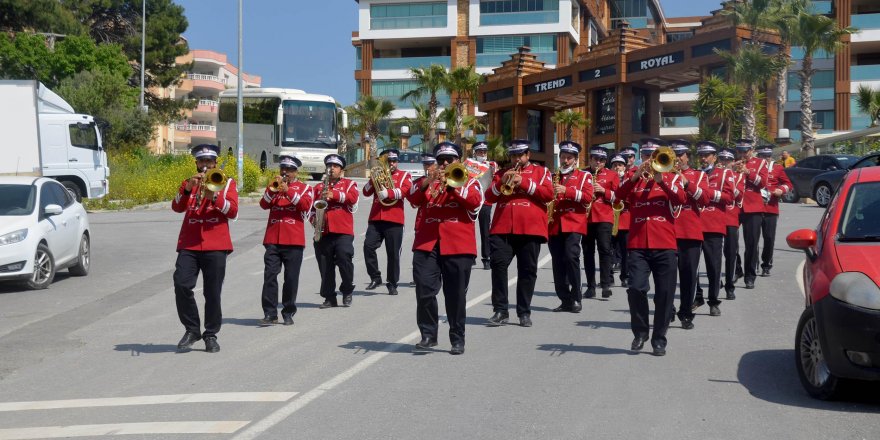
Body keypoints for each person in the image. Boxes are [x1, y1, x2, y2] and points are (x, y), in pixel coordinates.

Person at [406, 142, 483, 355]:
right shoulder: (427, 181)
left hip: (458, 245)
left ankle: (457, 338)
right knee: (424, 289)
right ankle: (429, 334)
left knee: (455, 295)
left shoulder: (470, 182)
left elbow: (475, 202)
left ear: (458, 161)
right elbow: (411, 196)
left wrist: (454, 184)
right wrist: (427, 182)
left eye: (450, 160)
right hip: (427, 242)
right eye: (441, 161)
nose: (445, 164)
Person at [615, 138, 686, 356]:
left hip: (664, 244)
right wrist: (635, 176)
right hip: (638, 244)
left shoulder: (671, 178)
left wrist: (661, 180)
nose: (649, 160)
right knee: (635, 288)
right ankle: (640, 333)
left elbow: (681, 199)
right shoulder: (632, 179)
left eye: (652, 156)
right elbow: (617, 198)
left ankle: (659, 338)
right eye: (645, 156)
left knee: (664, 294)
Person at [171, 144, 238, 353]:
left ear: (215, 163)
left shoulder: (226, 183)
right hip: (189, 243)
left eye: (210, 162)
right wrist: (188, 189)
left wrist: (215, 198)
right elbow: (176, 206)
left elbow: (233, 212)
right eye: (202, 161)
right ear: (196, 163)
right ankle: (192, 329)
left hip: (216, 244)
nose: (205, 166)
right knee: (182, 284)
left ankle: (211, 334)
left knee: (212, 293)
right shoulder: (188, 183)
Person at [485, 139, 554, 327]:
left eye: (520, 155)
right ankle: (500, 310)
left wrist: (522, 182)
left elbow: (548, 195)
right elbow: (488, 197)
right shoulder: (501, 173)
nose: (516, 158)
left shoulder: (541, 171)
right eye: (513, 155)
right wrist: (501, 183)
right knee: (498, 266)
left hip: (530, 228)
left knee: (527, 271)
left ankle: (524, 312)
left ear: (527, 155)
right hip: (502, 227)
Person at [258, 155, 313, 326]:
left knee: (291, 278)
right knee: (270, 276)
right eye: (283, 169)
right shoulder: (273, 187)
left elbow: (305, 206)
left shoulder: (304, 188)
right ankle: (270, 313)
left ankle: (288, 311)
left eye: (289, 170)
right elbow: (263, 204)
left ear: (296, 172)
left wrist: (288, 191)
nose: (284, 172)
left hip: (293, 240)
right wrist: (271, 190)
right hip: (273, 238)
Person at [548, 141, 594, 313]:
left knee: (571, 257)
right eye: (563, 157)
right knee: (557, 262)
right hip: (554, 223)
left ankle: (576, 297)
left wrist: (566, 191)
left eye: (569, 158)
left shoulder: (584, 176)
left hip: (574, 222)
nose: (565, 161)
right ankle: (564, 299)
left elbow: (588, 197)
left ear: (575, 160)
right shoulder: (553, 176)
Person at [669, 140, 710, 328]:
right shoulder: (662, 175)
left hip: (689, 231)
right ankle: (667, 310)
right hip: (667, 231)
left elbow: (705, 199)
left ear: (687, 156)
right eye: (674, 155)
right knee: (666, 275)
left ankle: (686, 312)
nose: (677, 158)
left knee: (688, 275)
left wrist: (686, 183)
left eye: (680, 154)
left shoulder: (699, 175)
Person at [691, 142, 734, 319]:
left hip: (713, 225)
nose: (703, 158)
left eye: (707, 155)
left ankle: (713, 301)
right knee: (691, 266)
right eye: (701, 154)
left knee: (713, 266)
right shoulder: (693, 174)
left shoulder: (724, 173)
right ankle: (697, 296)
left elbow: (730, 197)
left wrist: (710, 194)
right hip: (693, 224)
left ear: (714, 157)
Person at [312, 154, 359, 308]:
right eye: (329, 166)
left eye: (335, 166)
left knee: (344, 258)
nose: (331, 168)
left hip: (343, 231)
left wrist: (335, 195)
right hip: (324, 231)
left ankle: (347, 291)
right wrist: (315, 220)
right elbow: (311, 208)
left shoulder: (349, 184)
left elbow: (353, 198)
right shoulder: (318, 187)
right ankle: (330, 297)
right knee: (325, 266)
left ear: (341, 170)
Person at [363, 149, 413, 295]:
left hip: (394, 219)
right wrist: (373, 179)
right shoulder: (378, 174)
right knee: (368, 247)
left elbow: (405, 191)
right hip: (376, 218)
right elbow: (366, 192)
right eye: (388, 161)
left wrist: (389, 193)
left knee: (393, 254)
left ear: (397, 161)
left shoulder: (405, 175)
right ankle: (375, 277)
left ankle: (392, 283)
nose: (391, 164)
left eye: (394, 161)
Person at [583, 146, 620, 299]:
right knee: (587, 253)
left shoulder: (612, 175)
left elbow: (619, 198)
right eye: (595, 159)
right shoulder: (583, 173)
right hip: (585, 218)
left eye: (601, 160)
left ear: (605, 162)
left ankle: (605, 284)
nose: (598, 162)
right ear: (590, 159)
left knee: (605, 251)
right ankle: (590, 287)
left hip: (604, 217)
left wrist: (604, 191)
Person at [735, 139, 769, 289]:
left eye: (745, 151)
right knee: (730, 242)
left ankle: (750, 276)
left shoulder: (760, 163)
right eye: (740, 151)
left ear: (751, 150)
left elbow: (763, 183)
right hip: (735, 206)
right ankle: (737, 269)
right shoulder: (732, 162)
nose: (743, 154)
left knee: (751, 243)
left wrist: (748, 172)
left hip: (753, 207)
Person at [758, 146, 793, 277]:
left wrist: (781, 190)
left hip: (771, 208)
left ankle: (766, 264)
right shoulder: (752, 168)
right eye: (762, 156)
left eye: (767, 156)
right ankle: (753, 263)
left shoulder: (778, 168)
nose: (765, 159)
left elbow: (788, 184)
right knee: (753, 239)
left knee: (769, 237)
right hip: (754, 208)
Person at [465, 141, 498, 271]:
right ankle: (471, 255)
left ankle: (486, 258)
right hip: (471, 200)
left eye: (484, 152)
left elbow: (495, 180)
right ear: (475, 153)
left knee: (485, 231)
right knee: (470, 230)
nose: (483, 154)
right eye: (480, 152)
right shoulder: (469, 164)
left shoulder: (492, 165)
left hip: (485, 201)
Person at [718, 148, 745, 300]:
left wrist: (729, 178)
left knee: (730, 253)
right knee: (714, 255)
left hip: (730, 218)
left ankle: (729, 286)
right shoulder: (713, 174)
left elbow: (739, 197)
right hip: (715, 218)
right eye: (722, 160)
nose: (724, 163)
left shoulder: (738, 177)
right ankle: (716, 284)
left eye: (727, 160)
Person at [609, 154, 631, 287]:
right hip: (609, 218)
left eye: (620, 165)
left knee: (625, 250)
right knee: (608, 250)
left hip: (625, 219)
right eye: (615, 165)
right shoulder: (607, 179)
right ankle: (608, 276)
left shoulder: (630, 179)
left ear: (625, 166)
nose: (617, 167)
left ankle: (625, 276)